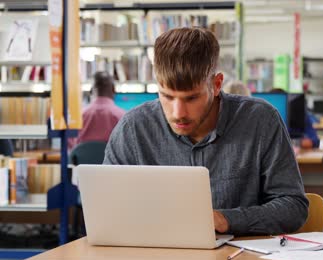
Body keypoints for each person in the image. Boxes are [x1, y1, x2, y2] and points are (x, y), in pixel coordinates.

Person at [103, 28, 308, 236]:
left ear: (216, 84)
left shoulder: (261, 120)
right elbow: (106, 207)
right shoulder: (133, 128)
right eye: (167, 96)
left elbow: (293, 207)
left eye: (191, 98)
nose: (178, 113)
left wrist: (227, 220)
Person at [69, 71, 125, 149]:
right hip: (111, 161)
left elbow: (71, 146)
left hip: (83, 160)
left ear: (91, 91)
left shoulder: (77, 117)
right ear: (114, 90)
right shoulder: (123, 117)